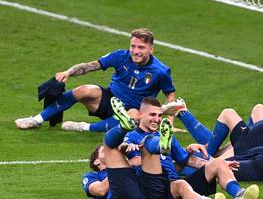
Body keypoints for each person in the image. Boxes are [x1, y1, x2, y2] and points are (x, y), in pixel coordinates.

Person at [96, 96, 259, 199]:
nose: (157, 119)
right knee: (153, 148)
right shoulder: (132, 136)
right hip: (155, 184)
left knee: (217, 163)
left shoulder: (168, 135)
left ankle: (239, 194)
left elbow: (187, 160)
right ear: (141, 115)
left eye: (160, 116)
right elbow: (121, 149)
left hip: (173, 180)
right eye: (152, 115)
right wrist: (128, 148)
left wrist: (213, 164)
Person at [15, 28, 176, 132]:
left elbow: (170, 96)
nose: (135, 51)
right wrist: (68, 72)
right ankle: (36, 120)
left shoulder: (160, 71)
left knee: (132, 116)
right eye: (133, 46)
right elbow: (91, 66)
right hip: (109, 101)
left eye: (141, 47)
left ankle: (83, 127)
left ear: (151, 49)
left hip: (133, 110)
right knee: (83, 90)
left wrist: (169, 123)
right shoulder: (120, 56)